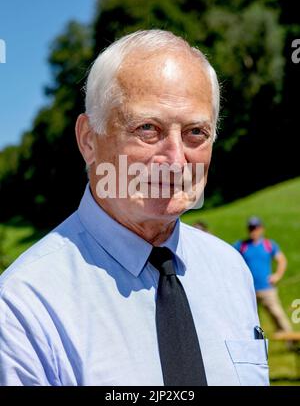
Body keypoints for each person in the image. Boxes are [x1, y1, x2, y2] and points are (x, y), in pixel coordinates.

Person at [0, 30, 269, 386]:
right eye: (147, 128)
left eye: (195, 133)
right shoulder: (24, 307)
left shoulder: (232, 272)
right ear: (88, 140)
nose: (175, 161)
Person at [234, 216, 292, 334]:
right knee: (249, 319)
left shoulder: (268, 245)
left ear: (261, 229)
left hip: (266, 288)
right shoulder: (242, 246)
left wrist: (277, 275)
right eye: (251, 228)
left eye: (255, 228)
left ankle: (291, 340)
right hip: (248, 290)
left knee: (277, 314)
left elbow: (282, 260)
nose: (253, 231)